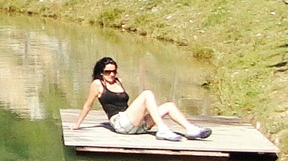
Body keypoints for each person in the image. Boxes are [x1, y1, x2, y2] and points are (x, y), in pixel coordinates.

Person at [72, 56, 211, 141]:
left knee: (169, 106)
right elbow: (87, 105)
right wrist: (77, 124)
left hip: (135, 124)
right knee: (147, 94)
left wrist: (143, 113)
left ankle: (191, 129)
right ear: (101, 72)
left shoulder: (118, 81)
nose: (111, 74)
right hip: (120, 123)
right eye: (108, 72)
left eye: (114, 71)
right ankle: (162, 129)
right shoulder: (97, 84)